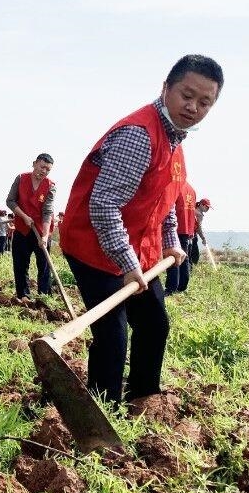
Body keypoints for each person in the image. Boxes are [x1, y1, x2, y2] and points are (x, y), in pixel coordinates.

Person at [59, 54, 223, 403]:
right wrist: (128, 263)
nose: (194, 107)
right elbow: (103, 206)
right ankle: (102, 412)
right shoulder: (138, 135)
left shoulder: (176, 144)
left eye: (205, 102)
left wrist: (170, 241)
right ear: (166, 88)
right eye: (187, 95)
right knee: (113, 335)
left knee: (153, 324)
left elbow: (163, 202)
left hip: (137, 248)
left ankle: (145, 400)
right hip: (94, 245)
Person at [7, 153, 57, 300]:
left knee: (44, 265)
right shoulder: (21, 178)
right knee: (21, 264)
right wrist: (24, 216)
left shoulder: (51, 186)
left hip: (41, 230)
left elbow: (48, 211)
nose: (44, 171)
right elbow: (10, 201)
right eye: (42, 167)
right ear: (34, 163)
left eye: (48, 169)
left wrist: (45, 236)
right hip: (22, 228)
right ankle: (23, 296)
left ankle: (44, 296)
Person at [165, 176, 197, 293]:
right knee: (184, 257)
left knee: (173, 257)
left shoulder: (176, 186)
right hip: (188, 228)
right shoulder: (192, 189)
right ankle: (182, 286)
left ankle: (171, 287)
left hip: (176, 227)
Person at [193, 197, 212, 263]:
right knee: (195, 256)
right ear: (201, 204)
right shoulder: (199, 214)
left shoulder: (193, 210)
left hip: (185, 234)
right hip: (192, 235)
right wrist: (203, 238)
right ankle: (190, 271)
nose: (208, 209)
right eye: (207, 207)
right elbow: (199, 228)